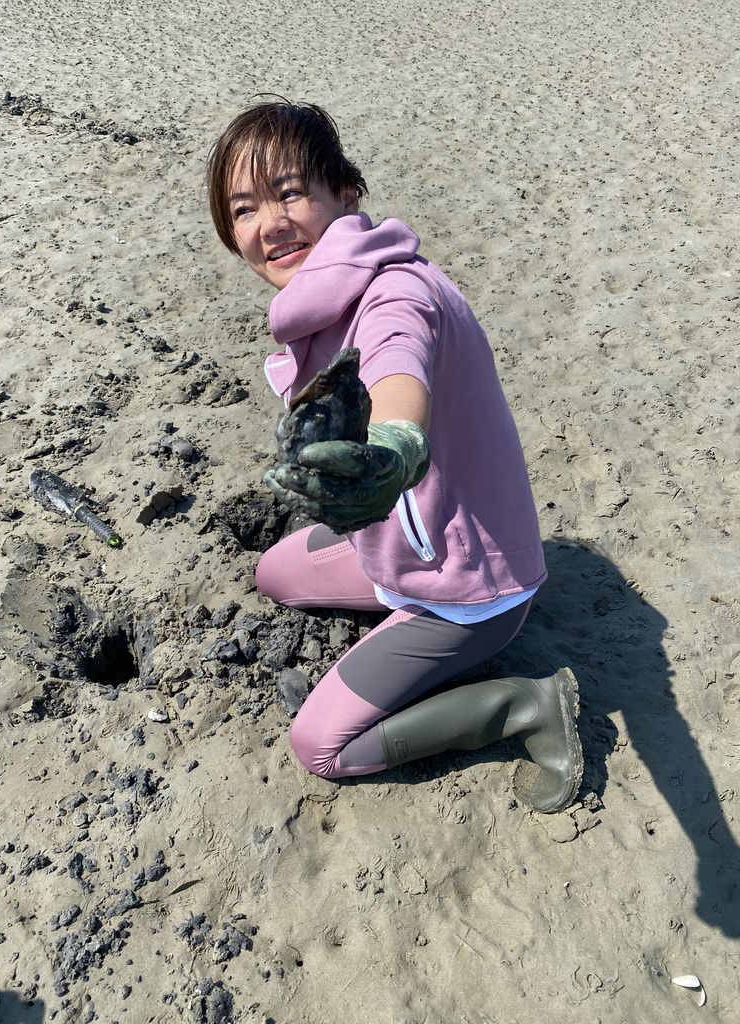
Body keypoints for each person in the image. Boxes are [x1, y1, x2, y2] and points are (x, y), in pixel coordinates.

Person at [206, 100, 583, 813]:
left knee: (320, 747)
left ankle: (525, 704)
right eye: (244, 207)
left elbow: (398, 371)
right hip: (414, 535)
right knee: (275, 573)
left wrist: (396, 445)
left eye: (290, 192)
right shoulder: (325, 298)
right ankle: (396, 592)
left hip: (470, 589)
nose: (270, 224)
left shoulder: (393, 291)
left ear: (344, 193)